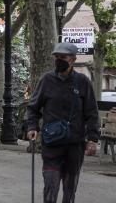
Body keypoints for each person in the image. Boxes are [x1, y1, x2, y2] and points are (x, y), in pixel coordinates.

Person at [25, 42, 99, 203]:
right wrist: (32, 126)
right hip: (52, 144)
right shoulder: (47, 80)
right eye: (56, 57)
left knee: (70, 188)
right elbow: (33, 107)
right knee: (50, 186)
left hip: (75, 145)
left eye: (63, 57)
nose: (59, 60)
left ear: (73, 59)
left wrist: (92, 139)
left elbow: (91, 113)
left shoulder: (83, 82)